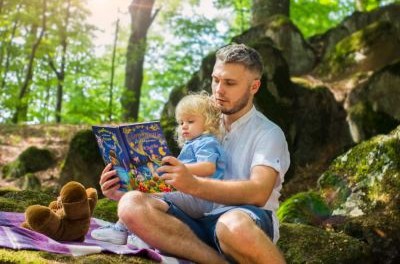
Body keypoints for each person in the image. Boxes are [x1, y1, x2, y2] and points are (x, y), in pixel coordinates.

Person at [100, 44, 290, 263]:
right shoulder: (201, 122)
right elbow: (177, 185)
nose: (219, 90)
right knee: (130, 204)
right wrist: (124, 185)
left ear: (254, 86)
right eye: (216, 80)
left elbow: (258, 192)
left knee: (233, 226)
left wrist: (192, 184)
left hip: (244, 221)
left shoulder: (269, 133)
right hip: (194, 221)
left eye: (230, 83)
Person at [92, 92, 226, 245]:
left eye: (190, 121)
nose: (184, 126)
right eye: (181, 122)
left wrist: (179, 168)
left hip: (199, 198)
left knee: (147, 197)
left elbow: (208, 167)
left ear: (208, 122)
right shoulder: (194, 143)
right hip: (188, 194)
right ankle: (133, 231)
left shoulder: (207, 142)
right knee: (143, 195)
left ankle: (127, 231)